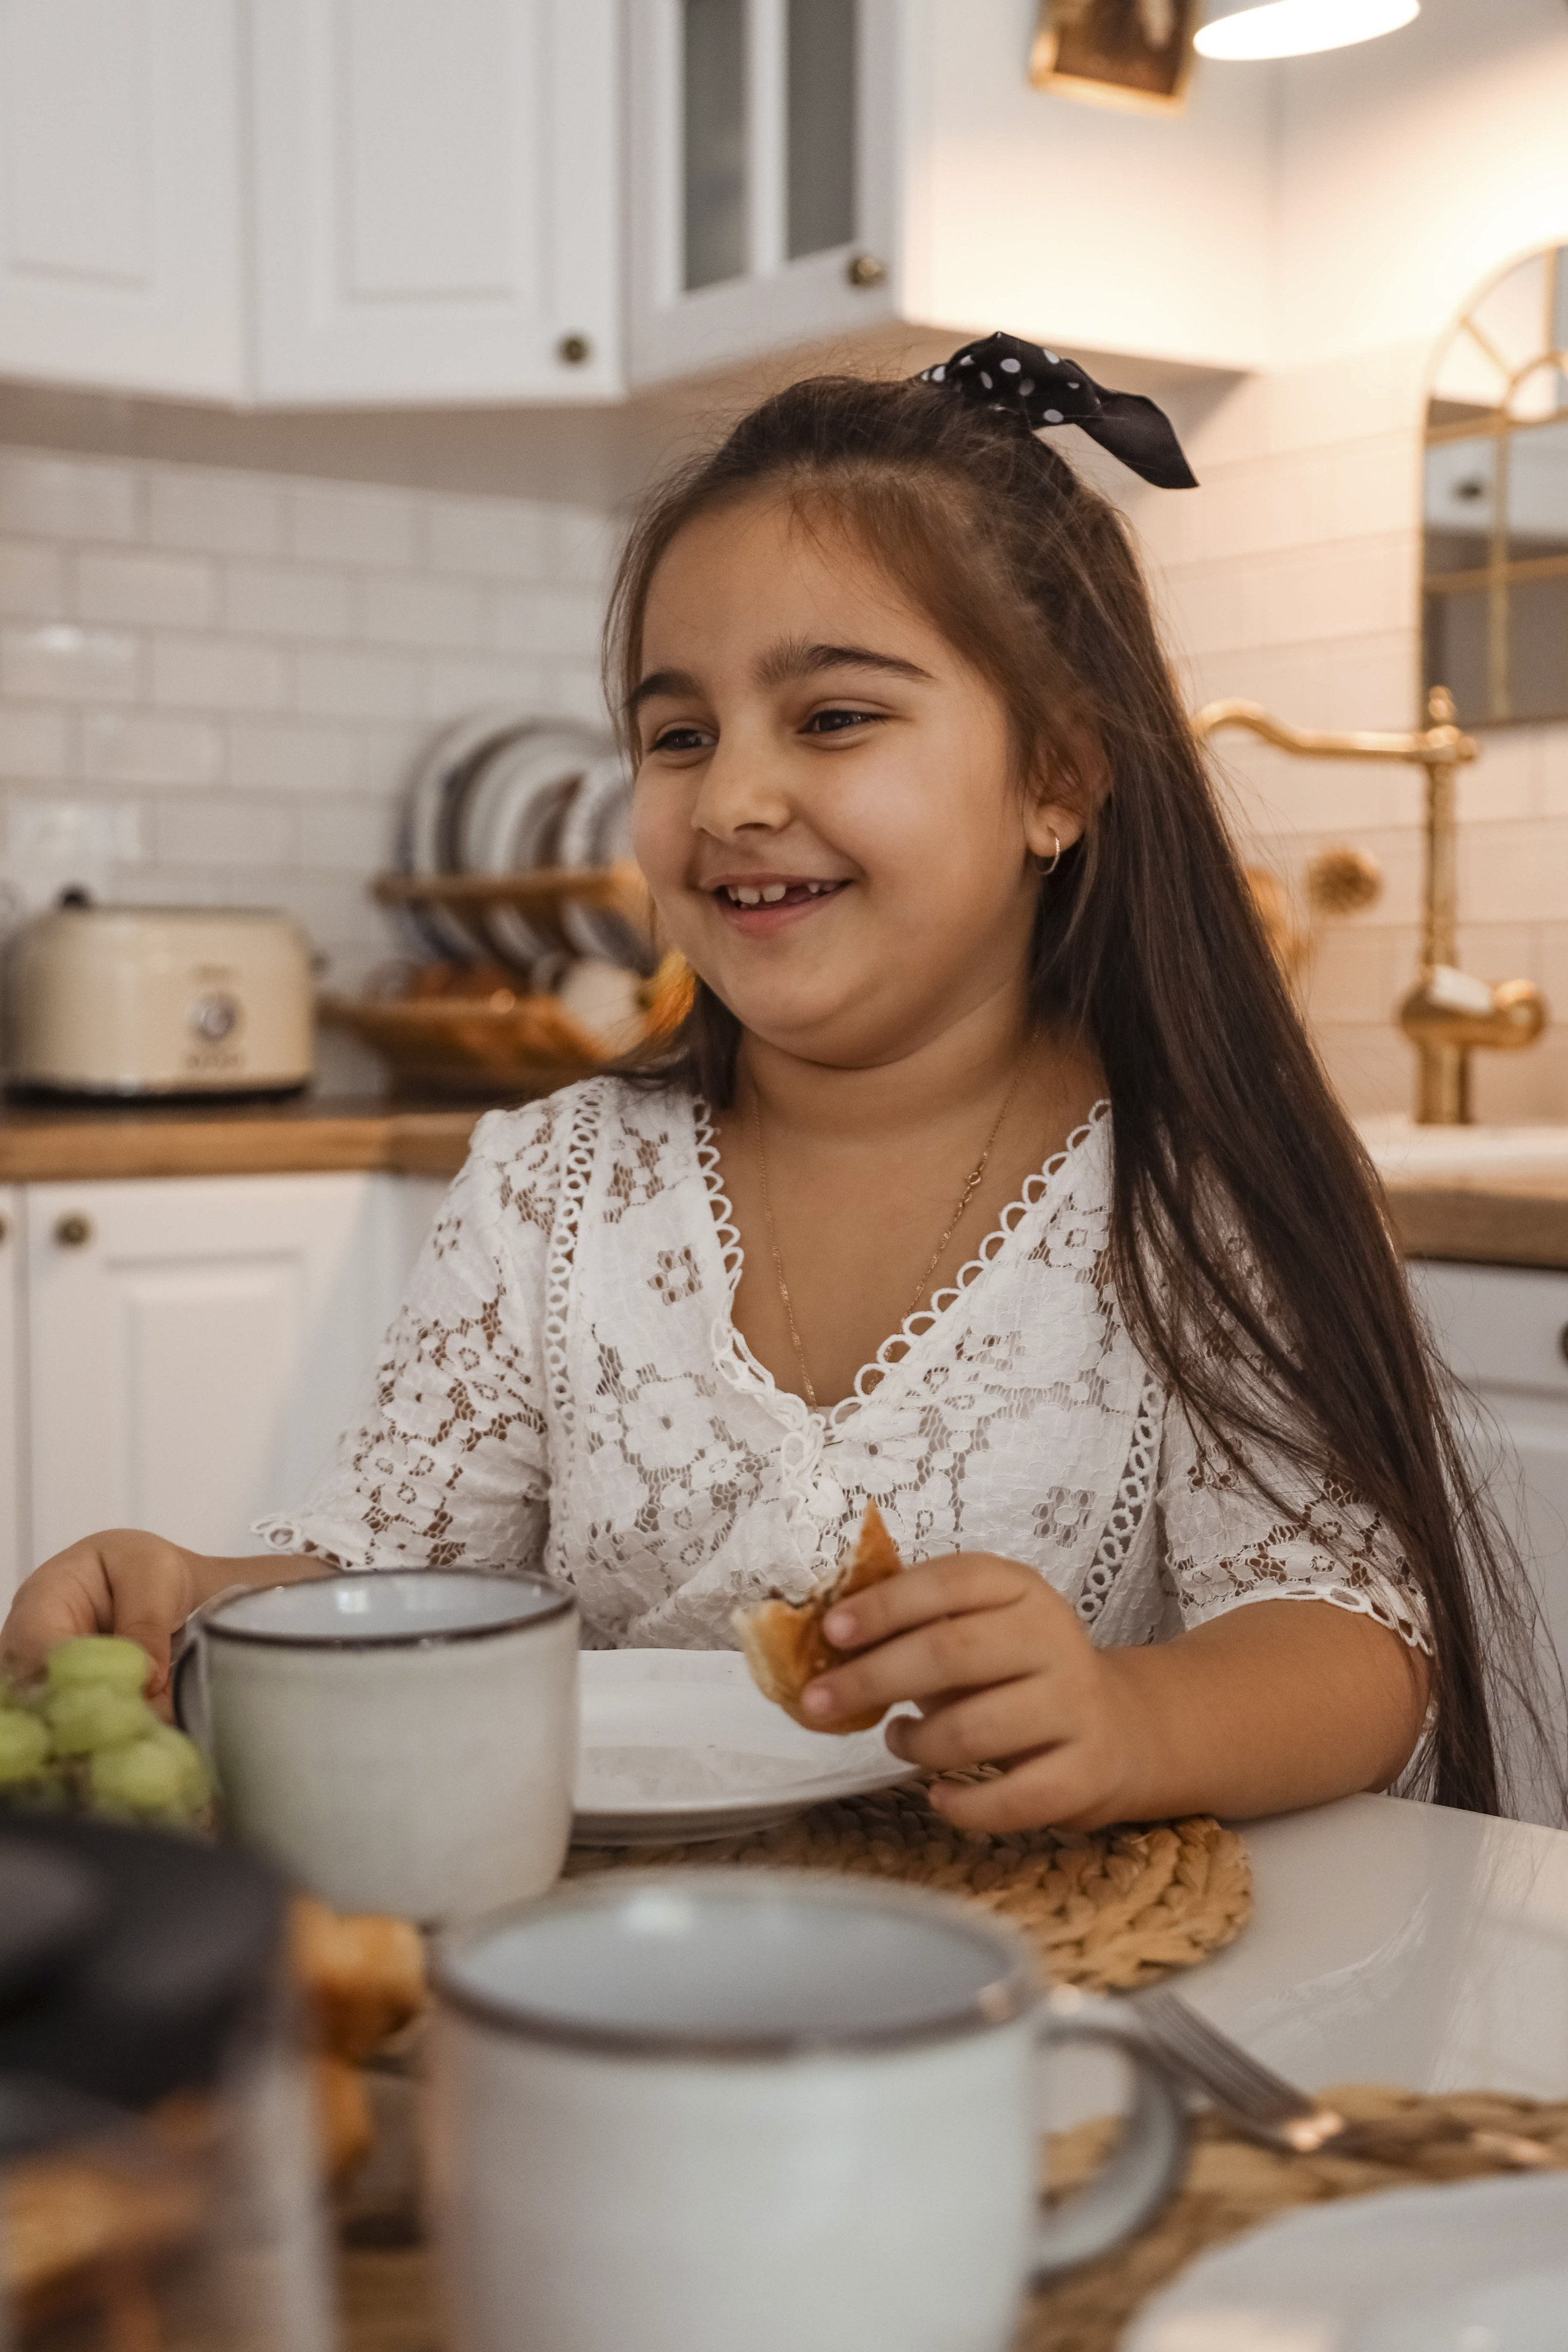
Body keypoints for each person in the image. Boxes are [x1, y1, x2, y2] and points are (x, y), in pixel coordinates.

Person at [1, 335, 1542, 1831]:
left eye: (833, 718)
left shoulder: (1188, 1191)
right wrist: (197, 1602)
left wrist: (1134, 1718)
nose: (731, 796)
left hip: (1063, 1962)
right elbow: (389, 1575)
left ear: (1057, 776)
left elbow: (1350, 1638)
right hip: (624, 1948)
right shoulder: (551, 1191)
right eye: (677, 734)